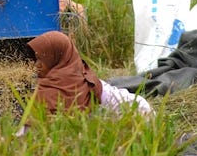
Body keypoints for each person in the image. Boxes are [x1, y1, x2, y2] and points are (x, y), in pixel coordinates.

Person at [17, 30, 153, 133]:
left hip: (138, 117)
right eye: (36, 60)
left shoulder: (56, 91)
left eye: (42, 59)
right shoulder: (83, 76)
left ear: (57, 58)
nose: (37, 65)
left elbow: (32, 133)